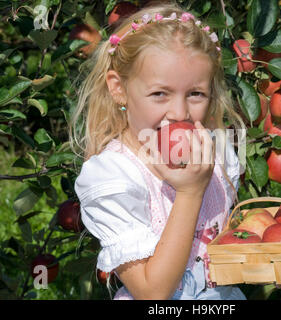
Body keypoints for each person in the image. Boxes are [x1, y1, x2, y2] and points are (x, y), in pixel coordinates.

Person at [70, 3, 247, 300]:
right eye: (159, 94)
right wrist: (191, 193)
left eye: (195, 94)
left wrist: (267, 257)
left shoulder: (214, 154)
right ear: (119, 89)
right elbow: (153, 293)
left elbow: (219, 244)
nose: (179, 113)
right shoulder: (116, 176)